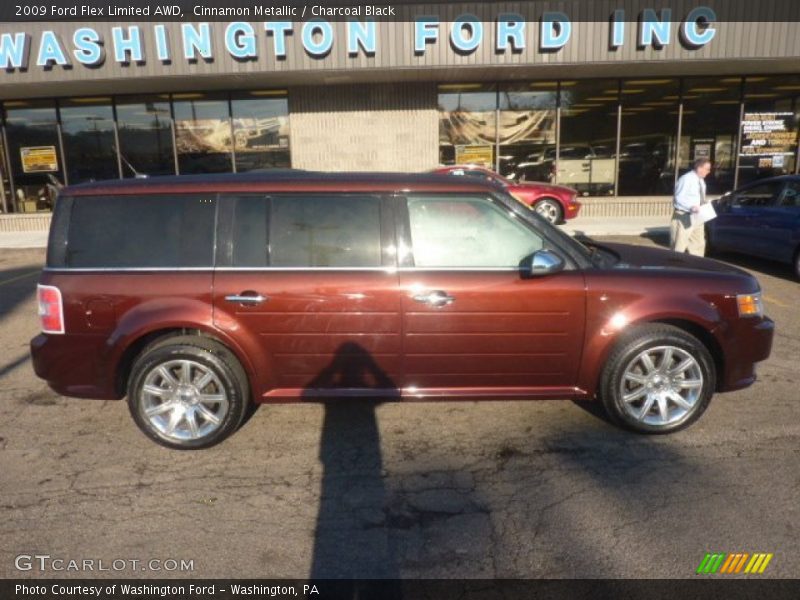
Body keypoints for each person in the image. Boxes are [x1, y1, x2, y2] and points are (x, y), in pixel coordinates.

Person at [670, 158, 712, 256]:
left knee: (698, 245)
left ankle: (696, 264)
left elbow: (698, 198)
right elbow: (678, 198)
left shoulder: (701, 181)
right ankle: (675, 264)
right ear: (699, 168)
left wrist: (704, 204)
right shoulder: (686, 179)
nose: (709, 172)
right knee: (679, 246)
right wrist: (691, 207)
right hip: (684, 216)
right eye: (707, 169)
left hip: (698, 216)